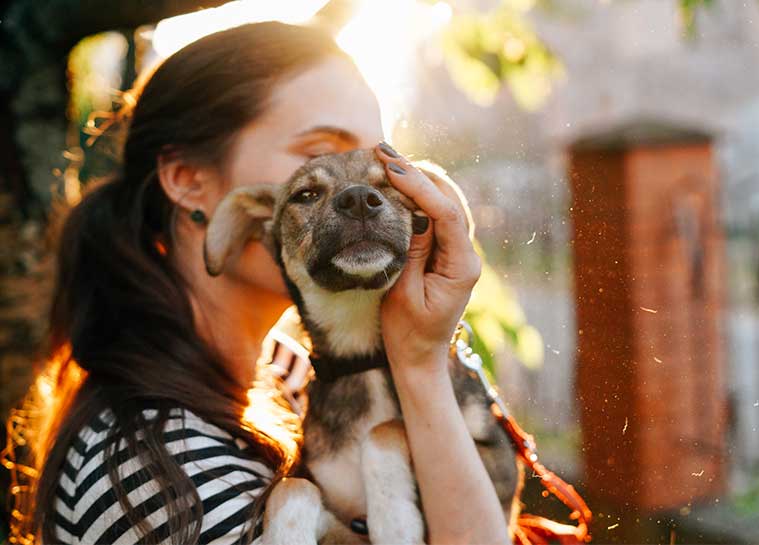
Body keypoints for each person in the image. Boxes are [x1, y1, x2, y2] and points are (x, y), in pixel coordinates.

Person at [16, 20, 510, 545]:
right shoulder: (152, 473)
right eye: (318, 153)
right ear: (189, 182)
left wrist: (421, 358)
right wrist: (419, 365)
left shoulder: (290, 368)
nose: (360, 187)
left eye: (380, 164)